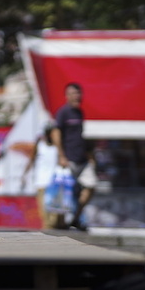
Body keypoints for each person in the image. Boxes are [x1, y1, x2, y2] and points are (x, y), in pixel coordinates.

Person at [52, 82, 97, 230]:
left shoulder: (80, 113)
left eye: (78, 93)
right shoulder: (63, 112)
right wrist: (61, 155)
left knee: (91, 185)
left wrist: (89, 155)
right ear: (67, 96)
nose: (76, 96)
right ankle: (61, 222)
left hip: (82, 159)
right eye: (73, 93)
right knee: (64, 192)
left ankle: (75, 218)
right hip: (68, 159)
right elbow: (56, 133)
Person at [25, 122, 59, 228]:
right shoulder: (39, 145)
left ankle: (52, 228)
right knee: (44, 209)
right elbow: (31, 160)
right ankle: (47, 229)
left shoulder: (57, 147)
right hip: (41, 181)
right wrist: (24, 174)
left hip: (54, 182)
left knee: (54, 210)